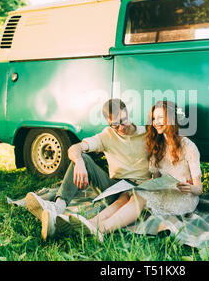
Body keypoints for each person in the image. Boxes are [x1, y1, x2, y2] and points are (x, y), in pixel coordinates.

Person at [57, 100, 203, 237]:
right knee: (128, 195)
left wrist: (189, 188)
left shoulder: (186, 146)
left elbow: (199, 188)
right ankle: (86, 223)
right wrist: (79, 162)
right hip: (121, 187)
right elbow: (156, 180)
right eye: (154, 118)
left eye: (160, 118)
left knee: (137, 195)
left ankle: (100, 229)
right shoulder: (156, 145)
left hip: (181, 196)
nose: (156, 122)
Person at [24, 98, 151, 240]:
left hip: (140, 188)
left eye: (123, 120)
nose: (120, 127)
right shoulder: (107, 135)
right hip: (114, 189)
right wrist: (79, 161)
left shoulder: (146, 133)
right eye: (114, 125)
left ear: (127, 112)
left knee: (129, 201)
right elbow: (75, 148)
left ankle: (64, 225)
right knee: (82, 158)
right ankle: (58, 207)